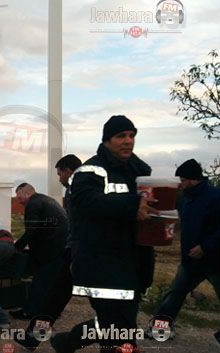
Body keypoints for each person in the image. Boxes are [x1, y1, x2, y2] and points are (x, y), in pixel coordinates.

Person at [50, 115, 158, 353]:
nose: (128, 141)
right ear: (107, 140)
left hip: (133, 261)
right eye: (121, 136)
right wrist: (132, 205)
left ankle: (68, 341)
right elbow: (89, 203)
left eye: (132, 136)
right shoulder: (89, 171)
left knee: (117, 321)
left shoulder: (139, 172)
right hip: (100, 261)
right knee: (120, 329)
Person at [149, 159, 220, 344]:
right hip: (190, 262)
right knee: (175, 294)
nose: (179, 184)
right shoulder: (186, 199)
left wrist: (205, 246)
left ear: (192, 179)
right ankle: (159, 329)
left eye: (181, 179)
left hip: (216, 261)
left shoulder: (216, 197)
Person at [10, 183, 68, 320]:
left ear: (27, 194)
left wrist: (17, 246)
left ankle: (29, 312)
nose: (19, 201)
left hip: (50, 248)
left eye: (19, 198)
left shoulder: (33, 204)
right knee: (51, 282)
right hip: (61, 246)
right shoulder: (47, 200)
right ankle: (51, 312)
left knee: (40, 281)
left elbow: (32, 229)